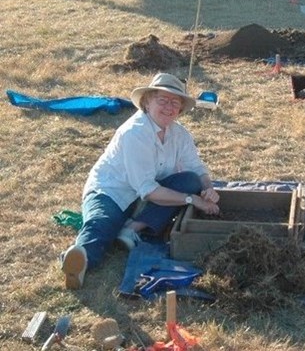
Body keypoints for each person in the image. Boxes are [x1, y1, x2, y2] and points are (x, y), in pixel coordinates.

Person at [60, 73, 220, 289]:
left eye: (175, 102)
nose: (169, 107)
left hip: (147, 194)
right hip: (112, 192)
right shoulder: (134, 133)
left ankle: (132, 228)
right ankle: (80, 261)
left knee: (191, 180)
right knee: (102, 224)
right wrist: (193, 200)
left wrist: (208, 189)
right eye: (162, 100)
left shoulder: (179, 134)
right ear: (147, 102)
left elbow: (196, 168)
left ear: (180, 109)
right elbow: (149, 190)